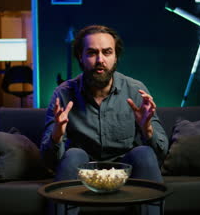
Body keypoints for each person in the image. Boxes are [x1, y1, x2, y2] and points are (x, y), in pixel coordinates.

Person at [40, 24, 168, 215]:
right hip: (83, 169)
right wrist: (57, 134)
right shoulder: (63, 94)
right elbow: (49, 161)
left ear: (115, 56)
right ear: (81, 58)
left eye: (107, 52)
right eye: (92, 53)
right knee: (73, 154)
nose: (100, 60)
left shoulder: (135, 89)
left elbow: (161, 153)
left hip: (126, 170)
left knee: (143, 153)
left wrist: (147, 129)